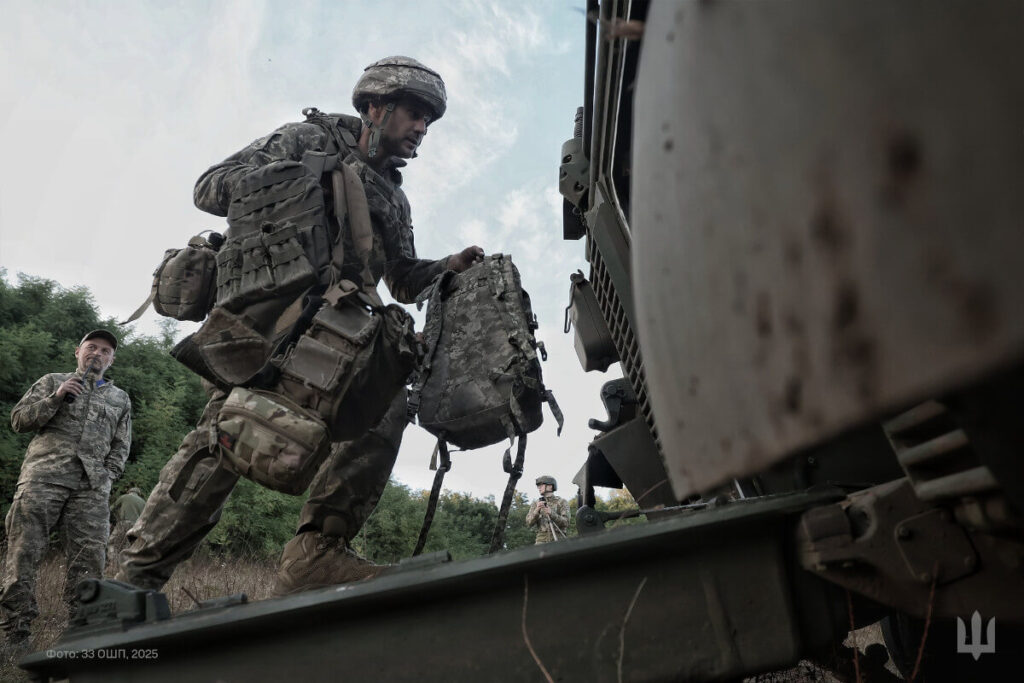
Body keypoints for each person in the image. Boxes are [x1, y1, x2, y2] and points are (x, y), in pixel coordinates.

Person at [116, 56, 484, 596]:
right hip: (276, 320)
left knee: (383, 410)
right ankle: (134, 581)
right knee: (227, 436)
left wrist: (447, 266)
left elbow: (402, 278)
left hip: (343, 331)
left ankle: (316, 554)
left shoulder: (394, 197)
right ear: (376, 108)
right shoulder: (307, 139)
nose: (422, 129)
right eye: (414, 114)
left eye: (429, 121)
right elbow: (211, 187)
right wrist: (302, 182)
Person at [1, 330, 131, 655]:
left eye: (105, 350)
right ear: (78, 352)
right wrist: (56, 397)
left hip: (91, 489)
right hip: (43, 478)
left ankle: (81, 639)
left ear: (111, 359)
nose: (97, 354)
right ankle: (16, 637)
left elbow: (121, 446)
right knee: (23, 555)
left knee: (89, 563)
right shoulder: (52, 381)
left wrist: (107, 477)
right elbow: (18, 420)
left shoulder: (120, 399)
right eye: (91, 348)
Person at [526, 476, 569, 544]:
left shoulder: (562, 502)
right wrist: (537, 510)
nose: (539, 488)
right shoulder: (536, 503)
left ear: (550, 486)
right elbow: (528, 523)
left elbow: (566, 523)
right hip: (541, 541)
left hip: (559, 540)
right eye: (538, 486)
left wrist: (551, 513)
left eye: (541, 485)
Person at [107, 486, 146, 557]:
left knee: (112, 542)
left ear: (129, 491)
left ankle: (112, 560)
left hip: (123, 523)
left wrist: (111, 520)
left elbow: (111, 508)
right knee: (128, 545)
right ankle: (125, 562)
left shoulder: (124, 497)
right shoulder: (143, 502)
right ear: (138, 494)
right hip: (135, 526)